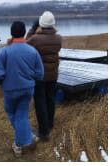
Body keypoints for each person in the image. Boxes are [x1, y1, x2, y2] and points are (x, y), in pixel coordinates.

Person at [0, 21, 44, 157]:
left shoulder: (4, 52)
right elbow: (40, 74)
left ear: (11, 33)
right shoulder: (33, 51)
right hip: (28, 89)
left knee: (12, 112)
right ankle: (30, 136)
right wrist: (30, 79)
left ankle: (19, 144)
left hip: (10, 89)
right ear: (24, 32)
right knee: (21, 114)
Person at [26, 11, 63, 141]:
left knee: (40, 101)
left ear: (41, 23)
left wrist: (32, 28)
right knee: (50, 99)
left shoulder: (35, 39)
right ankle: (50, 123)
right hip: (53, 74)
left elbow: (26, 42)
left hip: (39, 75)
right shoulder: (58, 38)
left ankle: (43, 131)